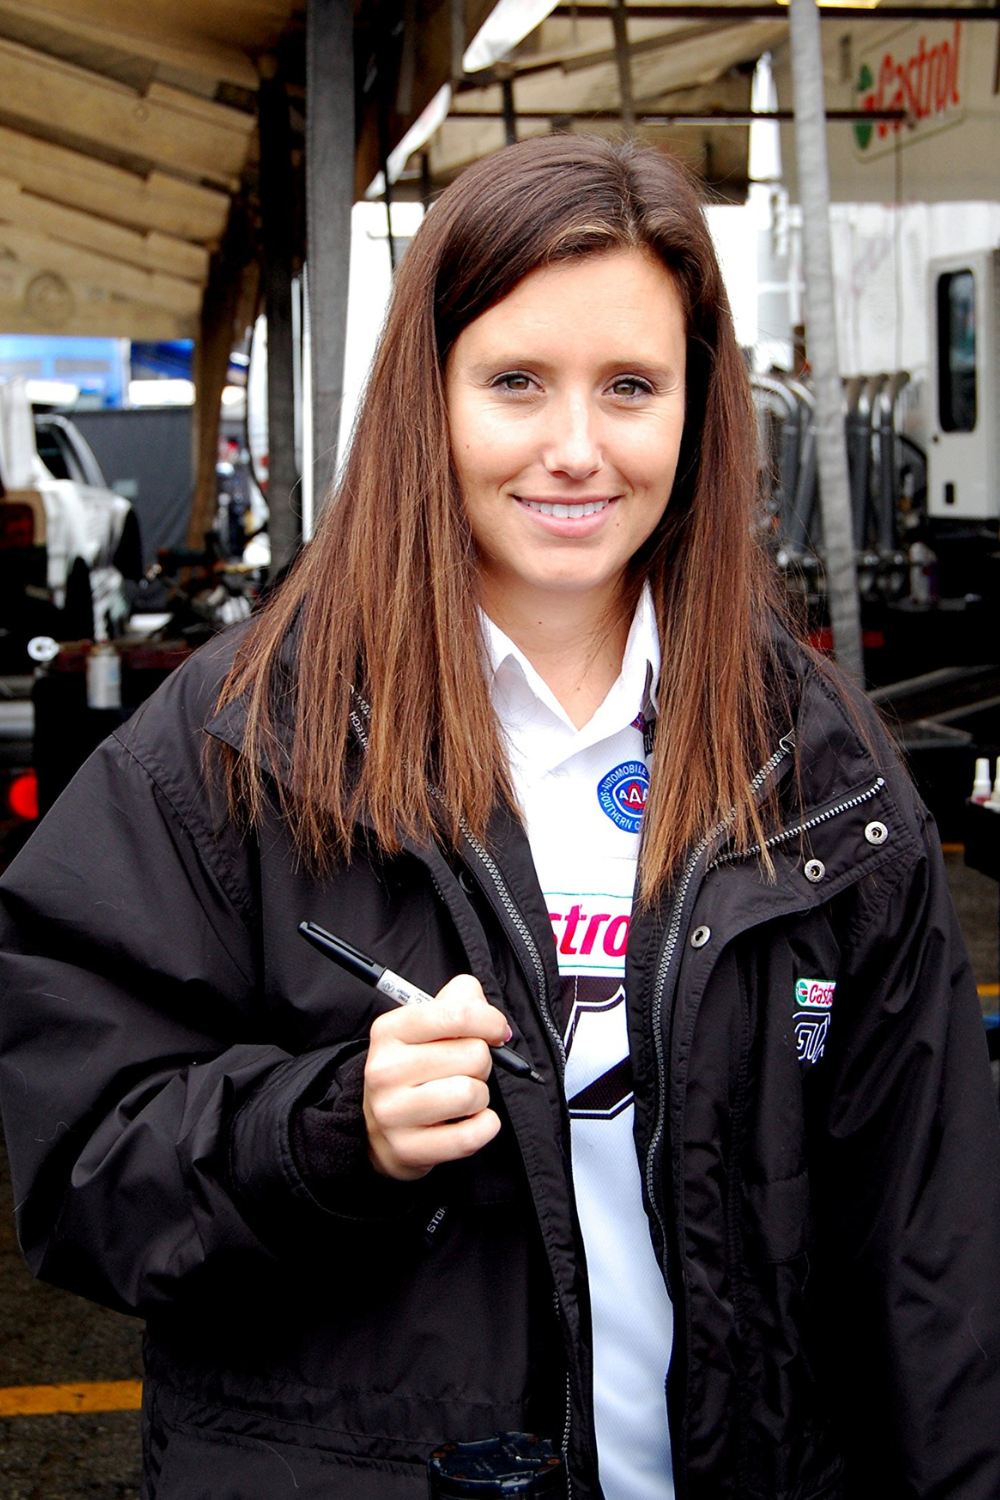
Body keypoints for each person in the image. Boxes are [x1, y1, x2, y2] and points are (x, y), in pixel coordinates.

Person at [1, 135, 998, 1500]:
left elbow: (932, 1262)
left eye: (632, 387)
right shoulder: (245, 737)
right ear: (430, 394)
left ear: (701, 407)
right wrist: (325, 1125)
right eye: (517, 382)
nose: (575, 449)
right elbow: (80, 1164)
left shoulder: (820, 766)